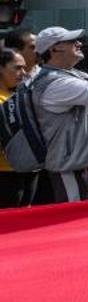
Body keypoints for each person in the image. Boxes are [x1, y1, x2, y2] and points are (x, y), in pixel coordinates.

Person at [8, 29, 88, 204]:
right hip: (69, 167)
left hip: (85, 164)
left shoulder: (71, 75)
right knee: (75, 219)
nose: (79, 43)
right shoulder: (53, 83)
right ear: (54, 49)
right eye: (71, 41)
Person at [0, 46, 26, 207]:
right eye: (17, 68)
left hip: (23, 171)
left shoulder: (16, 96)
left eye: (24, 68)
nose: (23, 73)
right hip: (4, 175)